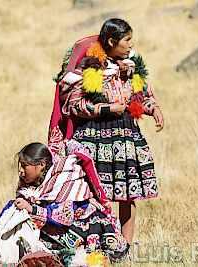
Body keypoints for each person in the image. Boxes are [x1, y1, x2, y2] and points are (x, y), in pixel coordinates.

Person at [48, 18, 164, 245]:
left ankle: (126, 246)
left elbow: (141, 97)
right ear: (111, 41)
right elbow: (72, 104)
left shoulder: (132, 67)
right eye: (126, 40)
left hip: (127, 136)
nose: (131, 44)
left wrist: (154, 109)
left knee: (128, 193)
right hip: (94, 138)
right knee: (91, 194)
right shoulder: (90, 66)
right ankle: (97, 241)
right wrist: (106, 108)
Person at [0, 141, 129, 265]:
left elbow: (64, 217)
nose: (21, 171)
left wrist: (32, 209)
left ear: (41, 165)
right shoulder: (29, 187)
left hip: (83, 228)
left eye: (25, 166)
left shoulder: (65, 179)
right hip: (56, 231)